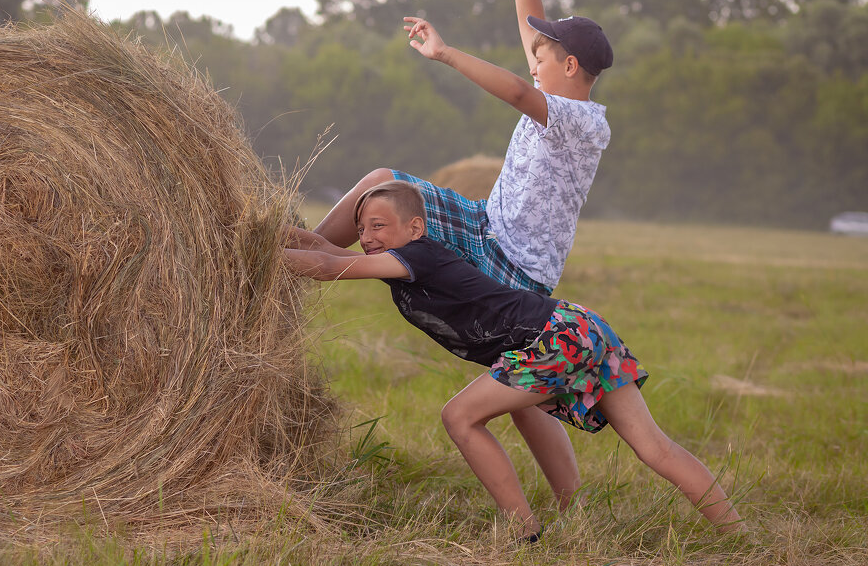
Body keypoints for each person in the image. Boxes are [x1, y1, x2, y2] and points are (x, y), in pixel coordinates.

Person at [308, 0, 615, 513]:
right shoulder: (554, 89)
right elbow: (531, 30)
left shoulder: (583, 119)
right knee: (382, 182)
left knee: (525, 398)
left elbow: (522, 93)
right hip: (485, 223)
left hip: (515, 262)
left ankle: (571, 504)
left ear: (572, 65)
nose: (532, 59)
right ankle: (307, 251)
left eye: (544, 56)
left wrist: (445, 53)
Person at [286, 181, 745, 541]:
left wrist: (242, 252)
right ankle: (736, 533)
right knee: (653, 447)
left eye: (378, 226)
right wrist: (271, 231)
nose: (366, 237)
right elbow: (329, 251)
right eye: (362, 228)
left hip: (555, 338)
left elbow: (329, 268)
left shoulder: (417, 256)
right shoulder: (400, 259)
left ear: (415, 229)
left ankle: (523, 532)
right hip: (578, 327)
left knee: (460, 417)